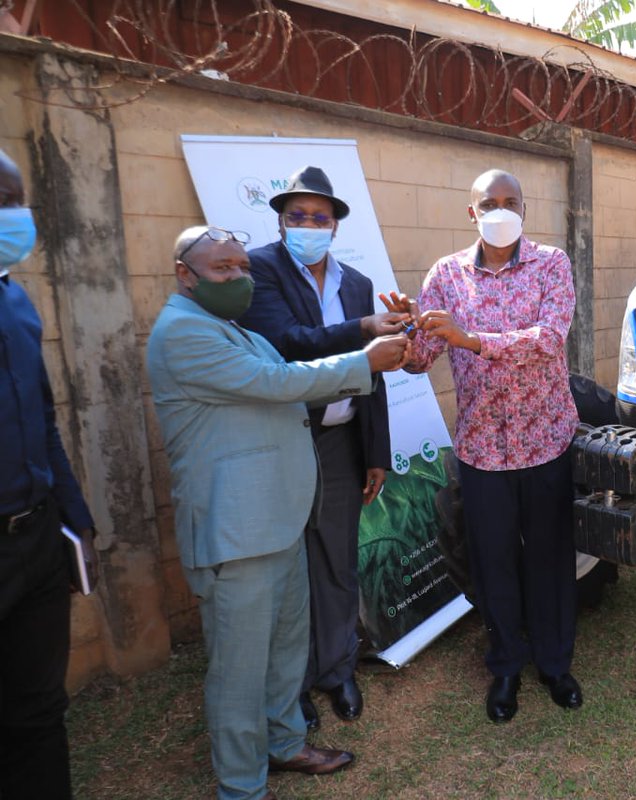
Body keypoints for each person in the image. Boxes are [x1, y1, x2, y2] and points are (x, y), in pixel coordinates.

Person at [146, 225, 410, 800]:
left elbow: (296, 380)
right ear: (184, 273)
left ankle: (285, 744)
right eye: (224, 268)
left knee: (285, 646)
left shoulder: (234, 329)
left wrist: (387, 358)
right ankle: (242, 785)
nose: (240, 276)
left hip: (277, 519)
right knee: (240, 668)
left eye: (243, 266)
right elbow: (276, 383)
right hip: (236, 532)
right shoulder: (183, 334)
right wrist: (365, 359)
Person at [394, 169, 582, 724]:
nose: (500, 210)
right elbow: (420, 357)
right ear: (470, 213)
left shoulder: (552, 265)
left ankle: (554, 663)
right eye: (489, 203)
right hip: (481, 447)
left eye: (510, 201)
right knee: (492, 561)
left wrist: (471, 338)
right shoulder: (446, 275)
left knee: (549, 558)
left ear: (525, 209)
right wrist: (409, 328)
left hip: (545, 438)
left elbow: (549, 340)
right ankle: (505, 666)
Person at [241, 166, 407, 730]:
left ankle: (337, 671)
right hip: (285, 441)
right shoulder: (259, 270)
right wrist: (364, 329)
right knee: (289, 571)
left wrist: (376, 452)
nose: (309, 225)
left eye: (320, 216)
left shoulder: (356, 282)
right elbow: (287, 344)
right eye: (298, 216)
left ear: (335, 225)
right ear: (281, 221)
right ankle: (294, 684)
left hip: (341, 446)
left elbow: (375, 376)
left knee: (338, 562)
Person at [0, 149, 98, 800]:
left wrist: (76, 520)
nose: (14, 215)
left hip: (36, 539)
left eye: (15, 200)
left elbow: (44, 420)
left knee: (38, 712)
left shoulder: (17, 301)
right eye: (2, 201)